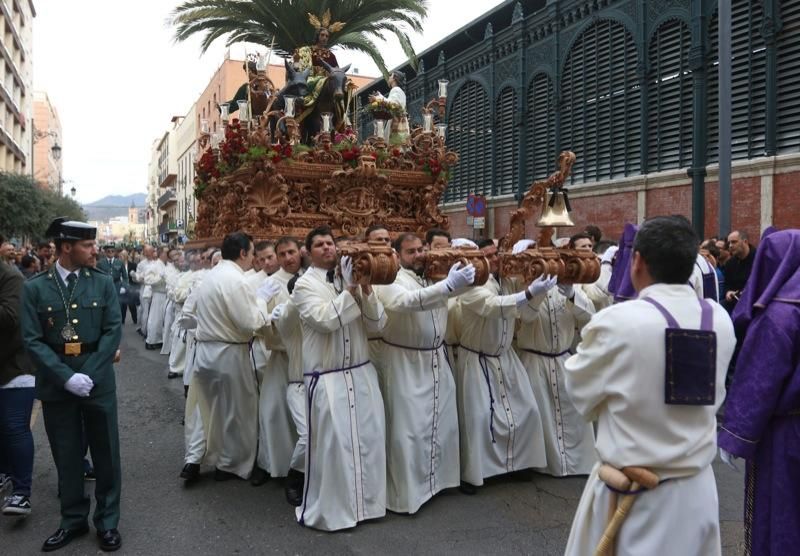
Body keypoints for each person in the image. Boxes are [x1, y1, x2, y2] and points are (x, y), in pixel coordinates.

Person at [562, 216, 736, 556]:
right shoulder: (719, 318)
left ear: (637, 261)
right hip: (696, 490)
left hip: (631, 495)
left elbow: (580, 395)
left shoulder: (618, 321)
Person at [20, 218, 123, 552]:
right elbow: (32, 340)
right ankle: (73, 520)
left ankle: (107, 522)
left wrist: (89, 375)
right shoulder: (35, 287)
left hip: (98, 380)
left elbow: (112, 330)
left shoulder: (102, 282)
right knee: (66, 455)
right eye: (88, 246)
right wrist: (66, 377)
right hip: (57, 384)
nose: (96, 251)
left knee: (106, 453)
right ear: (67, 247)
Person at [293, 226, 387, 531]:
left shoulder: (353, 279)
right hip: (328, 377)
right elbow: (325, 321)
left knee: (367, 443)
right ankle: (334, 510)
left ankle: (366, 507)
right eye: (319, 244)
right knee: (335, 448)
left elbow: (377, 324)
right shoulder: (303, 286)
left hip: (360, 372)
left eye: (330, 243)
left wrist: (367, 289)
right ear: (308, 252)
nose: (327, 248)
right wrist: (348, 291)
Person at [373, 233, 474, 513]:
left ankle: (438, 483)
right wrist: (447, 286)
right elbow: (405, 302)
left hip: (435, 360)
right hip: (405, 360)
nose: (418, 255)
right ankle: (406, 495)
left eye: (421, 249)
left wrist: (457, 283)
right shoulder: (389, 278)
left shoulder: (430, 275)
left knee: (442, 424)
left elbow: (449, 295)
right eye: (410, 251)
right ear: (396, 255)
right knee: (409, 431)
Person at [718, 229, 800, 556]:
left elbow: (759, 380)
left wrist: (736, 435)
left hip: (786, 435)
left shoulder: (780, 315)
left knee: (782, 511)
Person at [455, 239, 550, 493]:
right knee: (478, 418)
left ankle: (518, 463)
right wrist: (528, 293)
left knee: (527, 410)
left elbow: (526, 315)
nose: (493, 259)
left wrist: (536, 291)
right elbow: (491, 307)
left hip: (506, 358)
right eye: (486, 255)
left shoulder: (507, 282)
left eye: (495, 254)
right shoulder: (471, 285)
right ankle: (473, 474)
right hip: (477, 359)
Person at [184, 232, 273, 482]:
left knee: (212, 411)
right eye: (253, 252)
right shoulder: (237, 280)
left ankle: (204, 457)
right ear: (243, 253)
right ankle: (230, 464)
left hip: (205, 352)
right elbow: (249, 323)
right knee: (239, 411)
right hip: (229, 353)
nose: (254, 258)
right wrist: (263, 303)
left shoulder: (211, 276)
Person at [516, 234, 597, 477]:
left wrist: (572, 294)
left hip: (562, 359)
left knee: (573, 411)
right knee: (540, 416)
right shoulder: (521, 286)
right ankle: (545, 464)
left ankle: (578, 463)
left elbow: (590, 318)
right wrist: (535, 292)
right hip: (533, 360)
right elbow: (525, 317)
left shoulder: (572, 284)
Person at [248, 238, 298, 486]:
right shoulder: (270, 284)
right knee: (272, 410)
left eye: (292, 251)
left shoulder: (309, 278)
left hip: (309, 358)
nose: (288, 257)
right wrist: (269, 318)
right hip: (280, 356)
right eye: (283, 253)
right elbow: (255, 322)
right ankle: (270, 463)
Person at [0, 233, 37, 517]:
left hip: (15, 368)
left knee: (15, 428)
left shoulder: (11, 278)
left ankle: (22, 492)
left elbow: (11, 319)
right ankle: (5, 474)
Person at [370, 70, 409, 144]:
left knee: (395, 148)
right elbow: (392, 102)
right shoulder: (398, 91)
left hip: (397, 123)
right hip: (398, 120)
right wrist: (380, 97)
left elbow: (393, 104)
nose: (389, 77)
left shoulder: (396, 89)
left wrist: (377, 99)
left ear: (394, 78)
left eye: (391, 76)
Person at [722, 230, 756, 313]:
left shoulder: (758, 260)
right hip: (733, 305)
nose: (730, 246)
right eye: (729, 243)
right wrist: (728, 292)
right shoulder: (730, 263)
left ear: (745, 241)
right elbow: (727, 284)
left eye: (734, 242)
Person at [143, 247, 169, 350]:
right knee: (154, 319)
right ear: (161, 254)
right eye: (166, 253)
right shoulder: (154, 266)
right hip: (158, 294)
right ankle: (151, 340)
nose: (167, 256)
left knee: (162, 319)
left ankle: (159, 340)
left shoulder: (167, 265)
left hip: (166, 294)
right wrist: (160, 277)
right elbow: (147, 280)